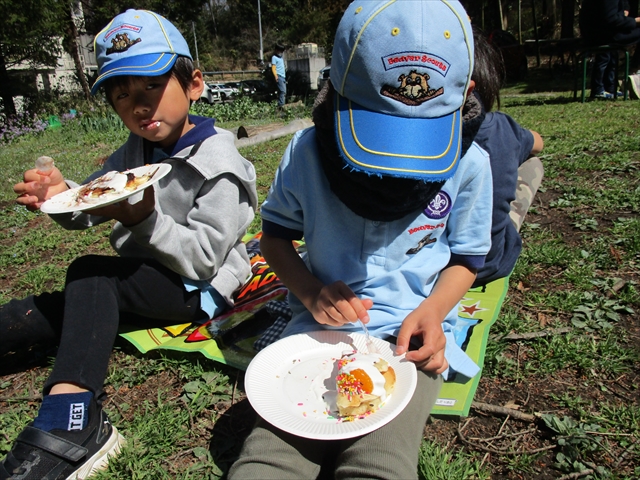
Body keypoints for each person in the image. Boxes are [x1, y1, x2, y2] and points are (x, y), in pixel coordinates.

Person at [228, 1, 493, 478]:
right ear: (336, 88)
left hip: (408, 343)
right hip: (313, 335)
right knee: (268, 458)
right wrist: (310, 291)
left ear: (464, 93)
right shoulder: (307, 154)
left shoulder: (470, 165)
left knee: (380, 463)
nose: (396, 171)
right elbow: (274, 239)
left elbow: (467, 259)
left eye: (420, 141)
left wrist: (432, 314)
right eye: (382, 139)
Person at [1, 9, 257, 479]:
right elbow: (93, 203)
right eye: (122, 95)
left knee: (90, 275)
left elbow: (203, 262)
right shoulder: (134, 153)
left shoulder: (219, 164)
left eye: (150, 88)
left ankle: (74, 416)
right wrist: (62, 197)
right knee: (64, 308)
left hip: (196, 289)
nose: (138, 106)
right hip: (142, 279)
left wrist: (145, 219)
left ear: (194, 84)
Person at [471, 27, 545, 287]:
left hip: (420, 269)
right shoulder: (501, 128)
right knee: (532, 163)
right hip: (491, 263)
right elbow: (538, 143)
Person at [579, 0, 640, 99]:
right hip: (600, 35)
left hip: (602, 33)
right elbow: (610, 20)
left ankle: (610, 88)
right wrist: (634, 21)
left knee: (609, 55)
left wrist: (624, 11)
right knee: (604, 55)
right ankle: (599, 89)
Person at [271, 43, 286, 107]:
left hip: (283, 77)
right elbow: (273, 67)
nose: (281, 52)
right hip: (279, 76)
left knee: (283, 92)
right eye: (280, 51)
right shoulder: (274, 57)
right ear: (277, 50)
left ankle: (282, 105)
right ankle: (281, 106)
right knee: (282, 91)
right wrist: (275, 75)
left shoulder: (281, 58)